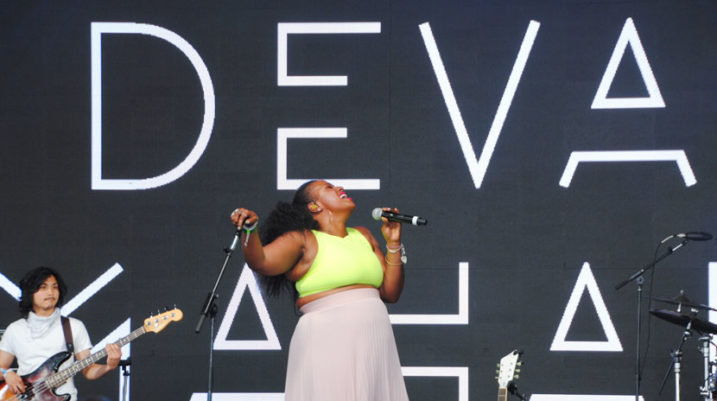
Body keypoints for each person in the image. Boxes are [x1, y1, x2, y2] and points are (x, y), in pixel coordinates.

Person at [230, 179, 410, 401]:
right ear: (314, 206)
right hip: (328, 340)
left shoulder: (363, 236)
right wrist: (250, 231)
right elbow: (261, 261)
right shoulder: (303, 239)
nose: (339, 188)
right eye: (329, 188)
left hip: (374, 342)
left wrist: (393, 242)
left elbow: (391, 293)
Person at [0, 267, 122, 401]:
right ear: (30, 293)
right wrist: (7, 373)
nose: (50, 292)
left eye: (55, 287)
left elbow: (88, 370)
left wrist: (109, 366)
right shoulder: (15, 329)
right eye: (43, 287)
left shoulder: (74, 326)